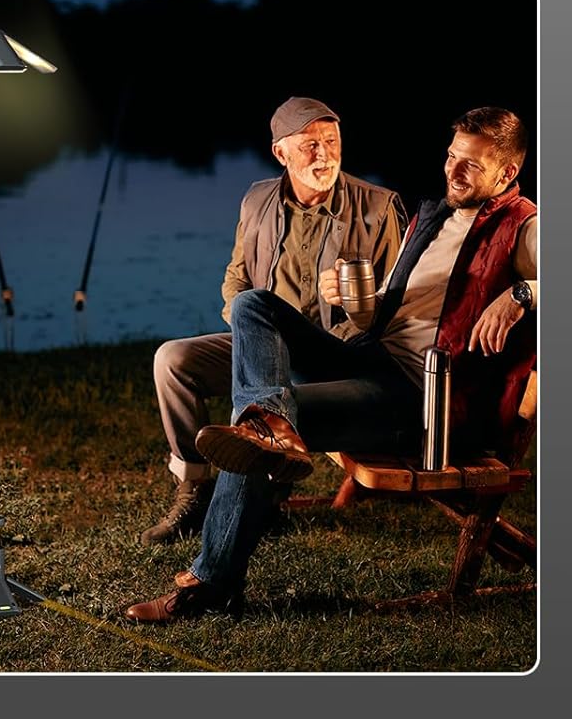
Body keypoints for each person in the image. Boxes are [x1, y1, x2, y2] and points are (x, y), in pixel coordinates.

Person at [124, 107, 536, 623]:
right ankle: (269, 425)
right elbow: (388, 314)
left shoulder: (523, 227)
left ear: (507, 174)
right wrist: (349, 299)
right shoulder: (435, 218)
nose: (453, 172)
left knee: (253, 421)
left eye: (470, 166)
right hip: (370, 357)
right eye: (452, 157)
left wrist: (522, 293)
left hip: (419, 399)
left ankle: (211, 583)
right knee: (254, 305)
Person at [141, 98, 403, 545]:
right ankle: (195, 488)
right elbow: (236, 277)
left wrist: (355, 306)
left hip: (333, 353)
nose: (324, 154)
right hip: (264, 341)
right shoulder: (257, 199)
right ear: (280, 152)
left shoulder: (378, 208)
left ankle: (265, 495)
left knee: (264, 387)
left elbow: (396, 304)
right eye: (309, 145)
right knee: (172, 360)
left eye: (331, 141)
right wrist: (246, 326)